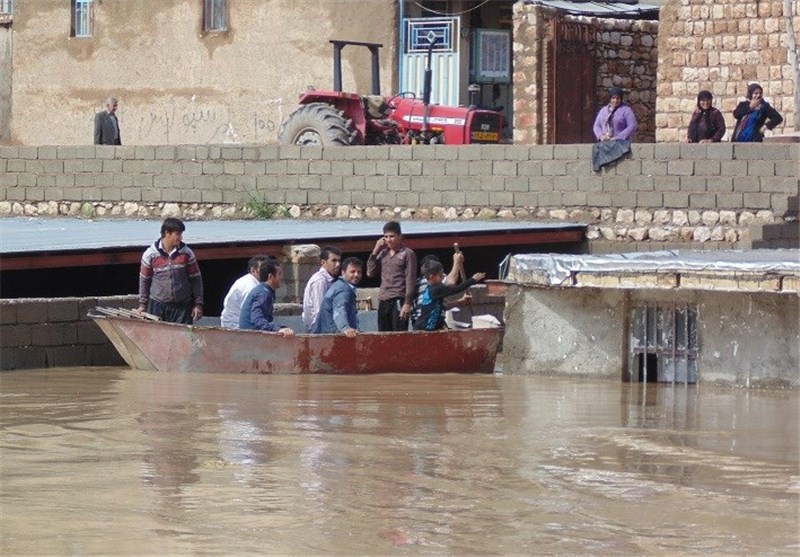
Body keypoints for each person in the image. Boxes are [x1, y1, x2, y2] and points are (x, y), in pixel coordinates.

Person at [138, 217, 203, 324]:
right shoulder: (150, 254)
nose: (180, 237)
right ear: (167, 233)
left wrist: (198, 304)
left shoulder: (187, 253)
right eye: (177, 234)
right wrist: (142, 305)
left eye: (181, 234)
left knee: (183, 338)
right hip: (158, 305)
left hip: (182, 306)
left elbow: (196, 279)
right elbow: (144, 280)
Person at [366, 221, 418, 332]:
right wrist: (376, 250)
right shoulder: (383, 253)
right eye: (386, 237)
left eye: (392, 236)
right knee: (383, 335)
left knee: (398, 335)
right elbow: (370, 272)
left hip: (399, 299)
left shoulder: (408, 254)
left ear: (400, 236)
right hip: (384, 299)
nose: (389, 240)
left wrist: (408, 303)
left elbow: (410, 279)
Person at [412, 259, 485, 331]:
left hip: (429, 327)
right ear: (432, 277)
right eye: (440, 276)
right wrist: (473, 280)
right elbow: (456, 289)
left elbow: (441, 307)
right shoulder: (436, 289)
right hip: (424, 329)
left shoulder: (430, 289)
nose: (443, 277)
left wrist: (459, 302)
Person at [239, 258, 294, 337]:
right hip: (252, 339)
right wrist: (278, 329)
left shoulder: (264, 290)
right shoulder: (263, 293)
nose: (281, 277)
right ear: (270, 276)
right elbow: (257, 319)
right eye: (279, 274)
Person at [313, 257, 362, 338]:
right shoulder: (343, 290)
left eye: (359, 272)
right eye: (352, 272)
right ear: (343, 272)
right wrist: (345, 328)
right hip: (331, 338)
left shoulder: (341, 286)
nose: (356, 275)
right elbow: (340, 310)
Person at [412, 252, 469, 322]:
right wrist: (457, 262)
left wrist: (459, 302)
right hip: (429, 322)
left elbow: (439, 307)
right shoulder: (433, 281)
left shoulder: (418, 282)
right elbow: (451, 283)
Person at [220, 254, 271, 329]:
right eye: (262, 268)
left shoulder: (254, 283)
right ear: (253, 269)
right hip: (236, 327)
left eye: (267, 268)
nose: (265, 271)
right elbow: (250, 314)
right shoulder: (250, 286)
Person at [301, 246, 342, 332]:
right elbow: (319, 311)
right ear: (323, 262)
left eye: (339, 261)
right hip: (319, 330)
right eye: (334, 261)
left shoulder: (329, 280)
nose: (338, 264)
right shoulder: (320, 281)